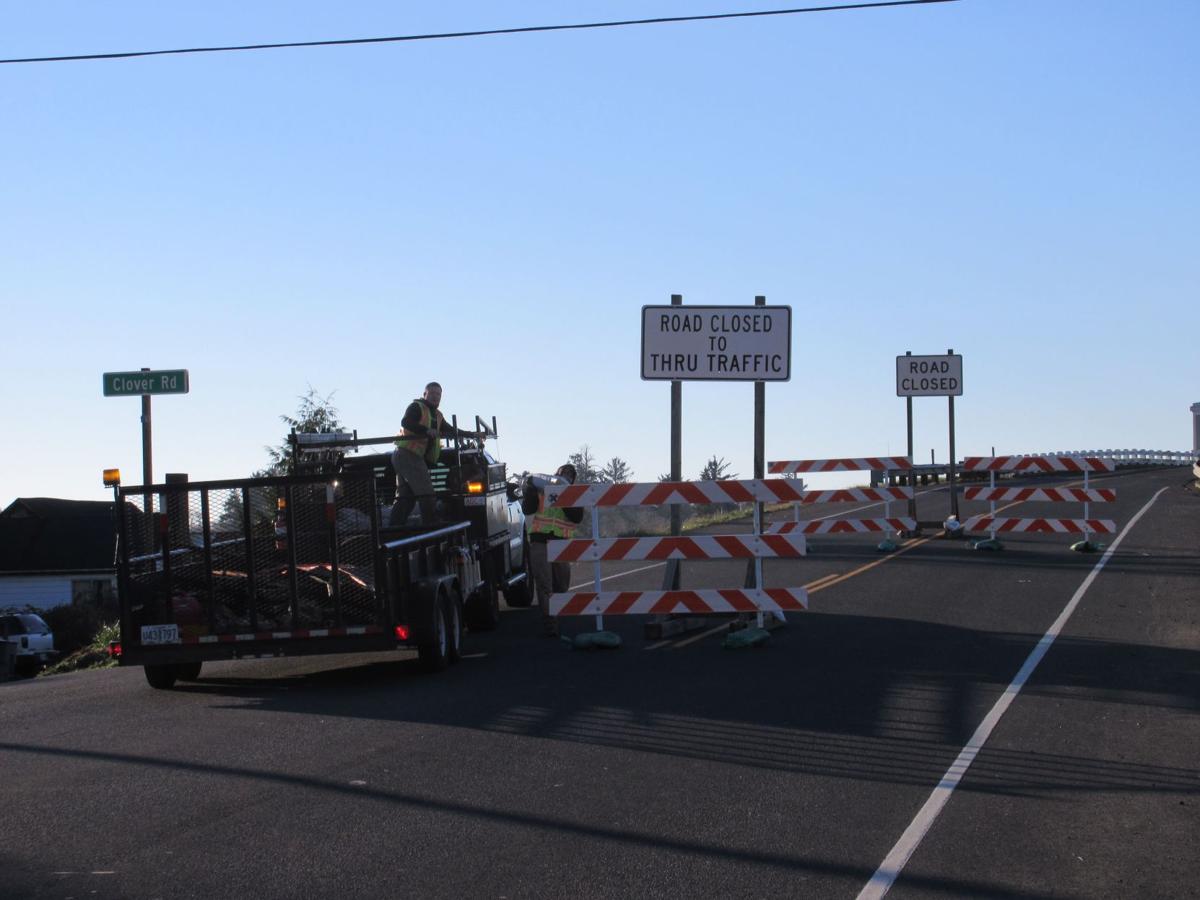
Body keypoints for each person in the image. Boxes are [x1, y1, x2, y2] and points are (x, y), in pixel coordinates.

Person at [390, 382, 481, 527]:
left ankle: (394, 528)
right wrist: (425, 431)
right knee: (427, 493)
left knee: (407, 497)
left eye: (438, 394)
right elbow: (406, 422)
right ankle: (431, 527)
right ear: (425, 394)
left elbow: (451, 430)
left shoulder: (437, 415)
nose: (435, 397)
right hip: (407, 455)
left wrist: (472, 434)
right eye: (432, 393)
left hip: (406, 457)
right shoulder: (416, 407)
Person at [524, 463, 585, 637]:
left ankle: (556, 612)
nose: (566, 475)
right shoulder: (542, 488)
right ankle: (550, 624)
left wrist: (563, 497)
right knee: (544, 585)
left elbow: (577, 517)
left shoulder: (574, 494)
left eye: (569, 475)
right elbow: (528, 508)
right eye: (563, 472)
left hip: (561, 544)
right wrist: (529, 489)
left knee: (562, 585)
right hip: (540, 541)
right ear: (556, 473)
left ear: (572, 480)